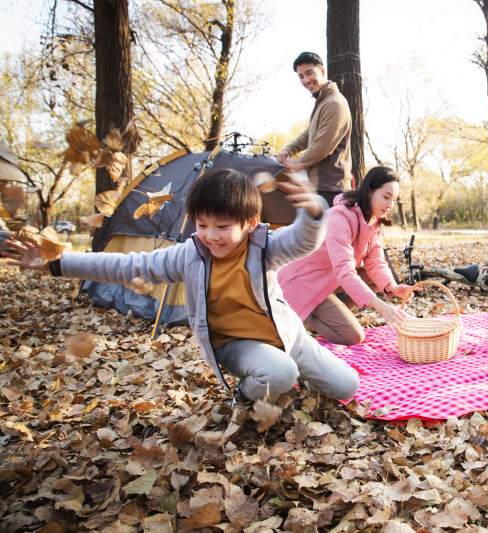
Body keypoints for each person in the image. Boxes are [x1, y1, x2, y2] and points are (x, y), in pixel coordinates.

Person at [1, 169, 359, 408]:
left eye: (222, 226)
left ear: (250, 223)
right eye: (203, 224)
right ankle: (245, 399)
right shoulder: (190, 256)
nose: (211, 235)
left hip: (289, 336)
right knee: (279, 373)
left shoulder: (265, 247)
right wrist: (56, 262)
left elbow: (304, 240)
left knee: (347, 387)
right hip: (237, 345)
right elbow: (127, 265)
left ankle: (290, 382)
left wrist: (314, 212)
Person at [278, 166, 414, 346]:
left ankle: (335, 316)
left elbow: (376, 263)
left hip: (331, 281)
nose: (390, 205)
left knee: (375, 279)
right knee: (354, 337)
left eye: (394, 199)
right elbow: (345, 271)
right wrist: (383, 308)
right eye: (386, 197)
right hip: (306, 283)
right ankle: (308, 315)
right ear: (369, 191)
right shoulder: (339, 218)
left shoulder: (374, 223)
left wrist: (394, 287)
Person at [277, 51, 352, 208]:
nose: (306, 80)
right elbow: (309, 134)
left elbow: (322, 147)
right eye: (301, 76)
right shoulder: (322, 102)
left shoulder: (334, 103)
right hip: (319, 188)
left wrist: (298, 163)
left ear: (322, 71)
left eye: (309, 73)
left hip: (331, 191)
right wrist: (289, 149)